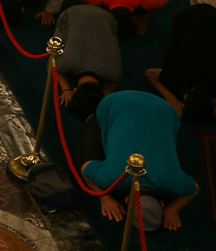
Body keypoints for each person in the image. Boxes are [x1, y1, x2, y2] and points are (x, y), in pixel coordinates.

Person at [79, 90, 198, 230]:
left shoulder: (174, 182)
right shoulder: (111, 178)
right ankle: (92, 120)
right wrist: (106, 199)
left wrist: (173, 209)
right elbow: (85, 169)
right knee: (83, 157)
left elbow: (194, 189)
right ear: (126, 200)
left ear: (161, 203)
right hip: (114, 102)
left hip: (165, 108)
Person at [146, 3, 216, 125]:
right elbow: (150, 74)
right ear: (186, 97)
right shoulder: (176, 79)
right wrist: (171, 98)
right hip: (186, 16)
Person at [52, 5, 122, 112]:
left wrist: (104, 94)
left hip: (105, 17)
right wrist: (66, 89)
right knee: (57, 43)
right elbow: (52, 66)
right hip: (73, 14)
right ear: (74, 90)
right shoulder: (67, 63)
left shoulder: (112, 72)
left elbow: (115, 81)